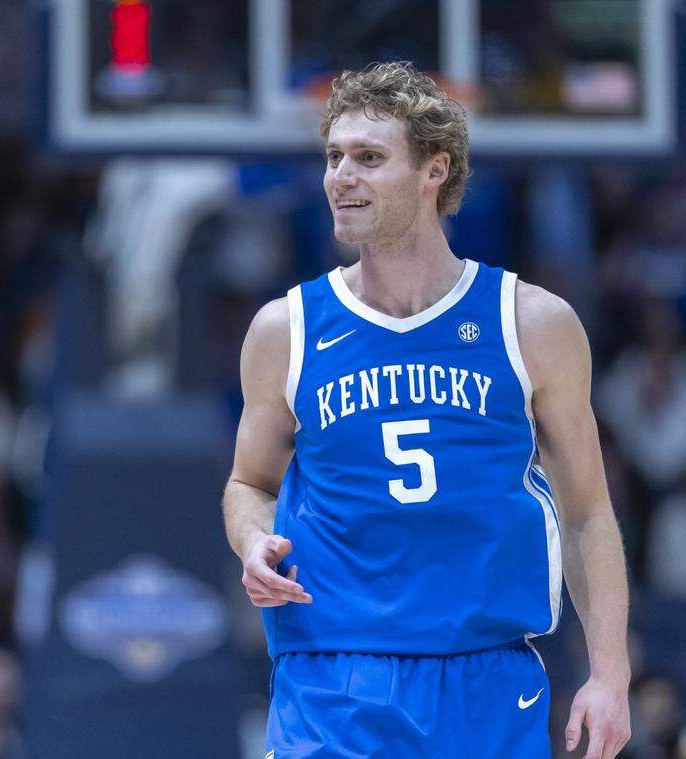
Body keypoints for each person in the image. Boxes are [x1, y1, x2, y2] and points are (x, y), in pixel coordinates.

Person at [222, 62, 631, 758]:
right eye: (333, 157)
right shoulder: (284, 330)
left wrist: (610, 673)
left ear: (433, 170)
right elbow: (249, 485)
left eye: (369, 158)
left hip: (487, 678)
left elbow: (588, 510)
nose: (340, 176)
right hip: (333, 681)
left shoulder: (531, 323)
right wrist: (254, 539)